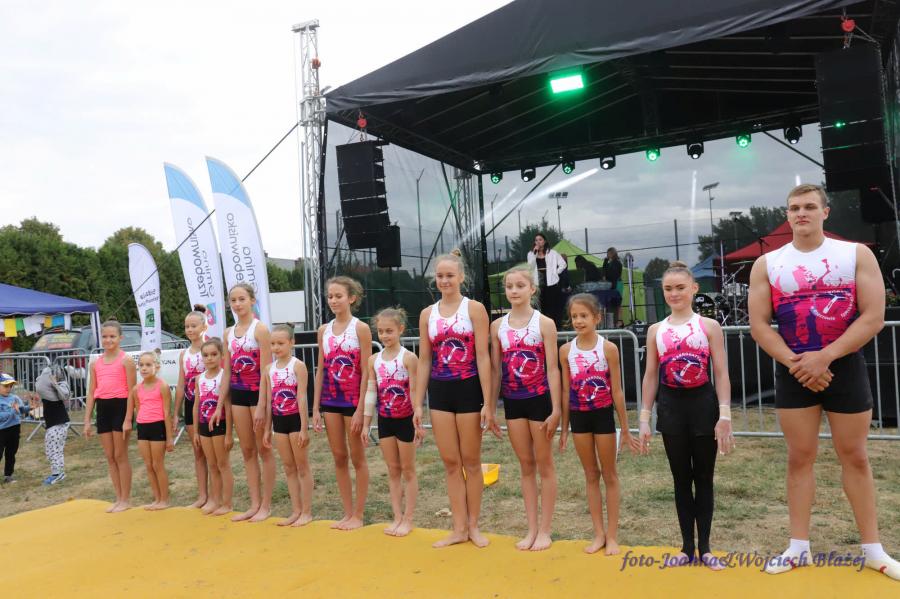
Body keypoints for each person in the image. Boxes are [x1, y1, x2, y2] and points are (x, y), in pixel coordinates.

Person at [748, 183, 900, 580]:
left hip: (843, 365)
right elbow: (759, 325)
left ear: (825, 212)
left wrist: (825, 357)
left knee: (856, 457)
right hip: (794, 368)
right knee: (799, 458)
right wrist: (798, 363)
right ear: (787, 214)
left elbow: (873, 316)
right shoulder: (768, 263)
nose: (801, 213)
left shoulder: (855, 254)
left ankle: (874, 551)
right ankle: (798, 548)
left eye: (809, 207)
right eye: (794, 207)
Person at [638, 261, 734, 569]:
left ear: (694, 289)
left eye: (680, 287)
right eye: (668, 289)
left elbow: (721, 372)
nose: (674, 293)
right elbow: (650, 375)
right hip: (672, 409)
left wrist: (724, 415)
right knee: (681, 480)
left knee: (704, 478)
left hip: (703, 407)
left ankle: (705, 548)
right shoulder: (656, 330)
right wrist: (644, 417)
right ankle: (686, 548)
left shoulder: (709, 326)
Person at [414, 249, 496, 548]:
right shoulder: (427, 314)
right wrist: (417, 403)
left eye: (450, 275)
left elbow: (483, 357)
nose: (445, 280)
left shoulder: (474, 309)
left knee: (471, 462)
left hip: (468, 389)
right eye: (440, 276)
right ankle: (458, 527)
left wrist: (488, 402)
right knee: (450, 462)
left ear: (461, 277)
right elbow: (425, 360)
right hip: (440, 392)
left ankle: (474, 525)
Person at [559, 293, 639, 555]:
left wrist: (625, 429)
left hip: (603, 416)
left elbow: (617, 391)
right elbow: (565, 391)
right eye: (574, 316)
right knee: (590, 475)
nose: (578, 321)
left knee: (609, 475)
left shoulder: (608, 349)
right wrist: (564, 428)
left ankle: (612, 535)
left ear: (597, 318)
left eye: (584, 316)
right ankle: (598, 534)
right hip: (579, 418)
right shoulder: (566, 351)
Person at [489, 265, 560, 551]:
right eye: (509, 286)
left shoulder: (545, 323)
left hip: (539, 399)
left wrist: (557, 409)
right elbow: (496, 370)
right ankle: (531, 528)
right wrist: (490, 407)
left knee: (544, 464)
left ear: (532, 289)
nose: (514, 291)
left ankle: (545, 530)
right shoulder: (498, 326)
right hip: (513, 401)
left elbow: (553, 369)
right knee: (526, 465)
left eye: (520, 286)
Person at [312, 276, 371, 530]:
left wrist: (361, 409)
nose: (333, 300)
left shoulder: (360, 328)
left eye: (339, 296)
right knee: (338, 456)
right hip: (330, 400)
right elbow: (321, 370)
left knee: (357, 458)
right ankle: (347, 513)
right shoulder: (323, 330)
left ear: (351, 298)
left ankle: (359, 514)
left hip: (352, 401)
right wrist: (315, 407)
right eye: (330, 296)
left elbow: (367, 371)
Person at [362, 307, 420, 537]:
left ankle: (409, 518)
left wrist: (417, 420)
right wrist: (366, 423)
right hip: (385, 420)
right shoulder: (373, 360)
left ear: (400, 330)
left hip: (405, 420)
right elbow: (371, 392)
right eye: (380, 331)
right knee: (393, 469)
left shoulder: (409, 358)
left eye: (389, 331)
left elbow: (415, 391)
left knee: (408, 469)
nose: (384, 335)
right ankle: (397, 516)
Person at [223, 283, 274, 523]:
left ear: (252, 300)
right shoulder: (228, 333)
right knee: (247, 450)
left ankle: (266, 505)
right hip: (238, 395)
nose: (237, 304)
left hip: (257, 395)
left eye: (242, 299)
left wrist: (262, 405)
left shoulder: (260, 329)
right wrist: (220, 403)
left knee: (264, 449)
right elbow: (227, 371)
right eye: (233, 300)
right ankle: (254, 503)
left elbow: (266, 371)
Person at [262, 323, 313, 527]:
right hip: (279, 422)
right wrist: (267, 429)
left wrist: (304, 428)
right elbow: (269, 401)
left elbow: (302, 397)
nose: (276, 348)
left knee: (302, 466)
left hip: (295, 420)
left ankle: (307, 512)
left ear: (292, 342)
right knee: (289, 467)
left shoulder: (297, 366)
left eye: (280, 343)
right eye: (273, 344)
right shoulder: (269, 369)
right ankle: (296, 510)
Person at [83, 319, 136, 512]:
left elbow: (132, 392)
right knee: (110, 456)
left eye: (112, 336)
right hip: (103, 409)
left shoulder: (126, 361)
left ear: (120, 338)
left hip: (120, 407)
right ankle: (118, 497)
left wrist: (128, 418)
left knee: (120, 455)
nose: (108, 340)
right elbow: (91, 392)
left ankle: (126, 499)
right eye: (105, 336)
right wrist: (87, 420)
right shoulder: (95, 363)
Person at [125, 350, 174, 510]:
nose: (144, 368)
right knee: (148, 464)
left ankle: (164, 500)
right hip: (143, 428)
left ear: (157, 367)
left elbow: (166, 412)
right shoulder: (136, 389)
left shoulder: (163, 386)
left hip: (157, 426)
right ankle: (157, 498)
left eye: (148, 365)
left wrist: (169, 438)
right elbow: (139, 409)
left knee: (157, 464)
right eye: (141, 365)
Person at [173, 306, 209, 508]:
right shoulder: (184, 354)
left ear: (204, 327)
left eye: (194, 326)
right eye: (187, 326)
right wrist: (175, 413)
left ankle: (218, 496)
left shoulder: (210, 350)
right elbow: (180, 385)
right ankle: (202, 495)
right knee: (198, 452)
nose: (190, 329)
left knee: (213, 454)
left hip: (208, 404)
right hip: (190, 404)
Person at [195, 338, 234, 516]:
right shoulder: (199, 378)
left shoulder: (223, 377)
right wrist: (196, 431)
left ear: (221, 355)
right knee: (211, 464)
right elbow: (196, 405)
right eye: (205, 355)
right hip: (204, 425)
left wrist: (228, 434)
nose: (209, 358)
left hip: (220, 424)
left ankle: (227, 503)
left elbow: (227, 406)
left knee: (222, 464)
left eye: (213, 354)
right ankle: (214, 500)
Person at [35, 364, 71, 485]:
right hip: (53, 424)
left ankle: (58, 474)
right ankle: (57, 472)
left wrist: (55, 384)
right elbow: (39, 386)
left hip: (59, 423)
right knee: (51, 450)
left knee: (55, 450)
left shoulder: (60, 387)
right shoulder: (48, 391)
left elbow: (64, 395)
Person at [527, 233, 567, 327]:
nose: (538, 242)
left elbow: (563, 264)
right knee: (541, 306)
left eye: (540, 239)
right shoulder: (531, 254)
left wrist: (555, 273)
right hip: (538, 283)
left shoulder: (552, 253)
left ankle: (555, 327)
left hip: (551, 283)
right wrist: (534, 253)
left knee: (553, 307)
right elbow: (530, 266)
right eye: (536, 240)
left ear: (544, 241)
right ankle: (543, 327)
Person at [0, 373, 25, 484]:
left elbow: (21, 409)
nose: (8, 389)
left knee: (11, 453)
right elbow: (1, 417)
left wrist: (30, 407)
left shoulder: (14, 398)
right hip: (1, 431)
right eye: (6, 386)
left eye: (10, 386)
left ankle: (8, 475)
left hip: (14, 428)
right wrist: (12, 411)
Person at [602, 247, 623, 325]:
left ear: (612, 254)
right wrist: (605, 262)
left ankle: (618, 322)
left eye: (608, 253)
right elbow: (604, 271)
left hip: (616, 285)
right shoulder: (608, 262)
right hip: (610, 286)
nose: (607, 255)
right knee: (611, 304)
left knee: (617, 304)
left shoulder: (617, 263)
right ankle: (612, 323)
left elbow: (613, 274)